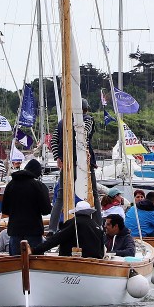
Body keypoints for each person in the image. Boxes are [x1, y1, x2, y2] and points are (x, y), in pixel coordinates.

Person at [48, 98, 101, 231]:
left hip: (67, 162)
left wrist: (58, 157)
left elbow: (53, 141)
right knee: (93, 193)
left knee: (60, 197)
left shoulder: (62, 123)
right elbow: (84, 134)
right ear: (86, 109)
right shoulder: (88, 119)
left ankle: (52, 229)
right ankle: (98, 225)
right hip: (84, 162)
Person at [1, 158, 52, 255]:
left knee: (16, 262)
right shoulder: (38, 186)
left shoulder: (10, 185)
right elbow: (46, 210)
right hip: (33, 231)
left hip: (15, 231)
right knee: (34, 262)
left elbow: (5, 210)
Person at [32, 201, 104, 258]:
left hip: (74, 262)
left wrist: (36, 250)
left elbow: (56, 239)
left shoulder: (73, 223)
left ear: (76, 212)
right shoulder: (96, 226)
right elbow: (101, 250)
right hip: (95, 261)